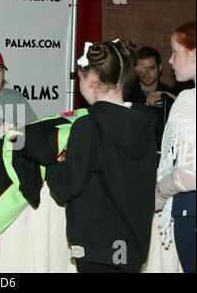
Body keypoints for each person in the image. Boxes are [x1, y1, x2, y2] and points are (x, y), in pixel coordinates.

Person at [45, 40, 158, 273]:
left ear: (93, 80)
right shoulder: (144, 123)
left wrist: (55, 164)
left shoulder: (88, 127)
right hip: (131, 248)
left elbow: (67, 187)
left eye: (80, 79)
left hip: (97, 248)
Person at [156, 21, 196, 273]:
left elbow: (189, 173)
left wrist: (158, 193)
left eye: (175, 52)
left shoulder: (188, 100)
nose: (170, 61)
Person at [126, 47, 178, 150]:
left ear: (159, 67)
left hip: (163, 156)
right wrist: (129, 74)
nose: (146, 74)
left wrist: (168, 97)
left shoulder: (171, 93)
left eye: (151, 68)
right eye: (142, 69)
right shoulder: (126, 94)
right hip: (133, 156)